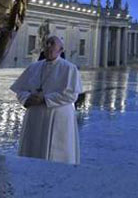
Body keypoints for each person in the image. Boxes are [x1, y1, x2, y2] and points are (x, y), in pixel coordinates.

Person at [10, 36, 83, 164]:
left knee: (56, 154)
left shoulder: (69, 68)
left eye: (52, 44)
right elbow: (20, 89)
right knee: (32, 151)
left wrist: (45, 99)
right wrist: (27, 99)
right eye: (47, 43)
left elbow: (71, 95)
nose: (49, 46)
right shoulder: (34, 67)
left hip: (57, 117)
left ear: (61, 49)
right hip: (34, 117)